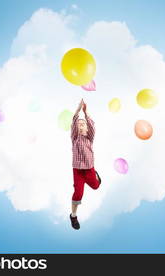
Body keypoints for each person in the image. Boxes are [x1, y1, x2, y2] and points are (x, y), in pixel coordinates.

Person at [69, 98, 101, 230]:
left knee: (95, 186)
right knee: (78, 193)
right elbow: (73, 123)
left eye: (83, 124)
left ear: (87, 128)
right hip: (78, 170)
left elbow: (92, 126)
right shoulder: (75, 138)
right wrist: (78, 110)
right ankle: (73, 216)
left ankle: (96, 176)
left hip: (89, 169)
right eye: (79, 124)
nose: (80, 125)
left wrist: (86, 113)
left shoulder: (90, 138)